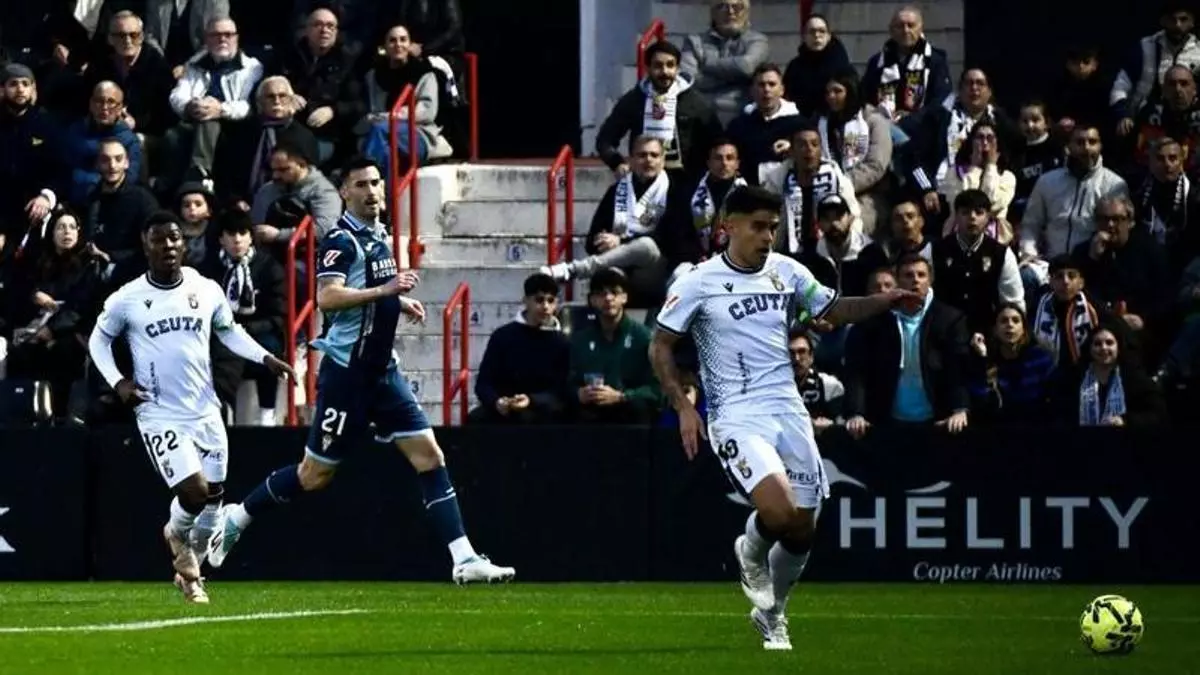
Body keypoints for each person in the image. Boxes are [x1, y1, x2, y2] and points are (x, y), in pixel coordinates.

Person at [207, 157, 514, 585]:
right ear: (344, 193)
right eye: (361, 185)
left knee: (430, 457)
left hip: (382, 373)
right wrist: (385, 290)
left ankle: (463, 559)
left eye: (376, 182)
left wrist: (395, 302)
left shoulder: (378, 236)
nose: (372, 191)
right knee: (314, 476)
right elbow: (327, 297)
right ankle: (237, 517)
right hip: (347, 376)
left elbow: (365, 289)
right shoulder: (341, 240)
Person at [647, 185, 919, 650]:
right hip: (735, 413)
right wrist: (684, 406)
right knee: (778, 510)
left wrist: (883, 301)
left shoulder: (787, 271)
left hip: (788, 409)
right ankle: (751, 548)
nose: (767, 236)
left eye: (773, 227)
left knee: (802, 528)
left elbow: (833, 310)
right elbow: (660, 345)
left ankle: (773, 615)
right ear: (728, 226)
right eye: (757, 227)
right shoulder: (697, 281)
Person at [86, 211, 295, 604]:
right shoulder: (127, 298)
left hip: (204, 408)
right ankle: (174, 535)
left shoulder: (206, 289)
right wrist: (119, 382)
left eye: (174, 238)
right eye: (159, 239)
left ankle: (189, 571)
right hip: (158, 411)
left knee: (213, 499)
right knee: (195, 492)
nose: (168, 245)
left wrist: (265, 357)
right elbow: (98, 341)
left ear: (184, 244)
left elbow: (229, 331)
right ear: (146, 245)